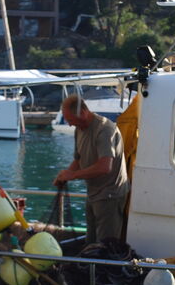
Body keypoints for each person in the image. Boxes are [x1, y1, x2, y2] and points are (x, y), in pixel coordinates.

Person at [54, 95, 129, 244]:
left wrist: (73, 175)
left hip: (110, 194)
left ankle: (104, 267)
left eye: (71, 120)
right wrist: (64, 176)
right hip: (93, 193)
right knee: (91, 240)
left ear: (82, 112)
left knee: (106, 244)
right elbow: (78, 159)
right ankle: (90, 266)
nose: (69, 125)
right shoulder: (79, 129)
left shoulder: (105, 129)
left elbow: (104, 166)